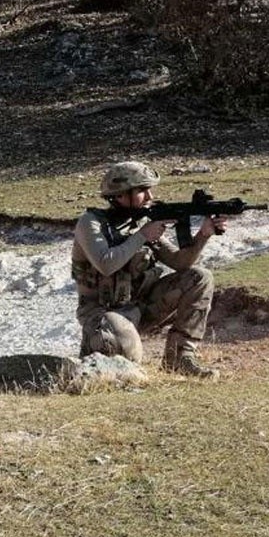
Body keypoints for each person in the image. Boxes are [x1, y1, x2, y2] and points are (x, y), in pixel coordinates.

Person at [72, 161, 226, 378]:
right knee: (124, 355)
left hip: (142, 307)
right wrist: (143, 235)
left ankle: (180, 359)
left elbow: (180, 263)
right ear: (120, 194)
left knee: (199, 278)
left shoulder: (142, 222)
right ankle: (95, 352)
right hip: (103, 313)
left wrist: (203, 235)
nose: (150, 196)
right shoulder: (91, 223)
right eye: (142, 190)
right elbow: (105, 264)